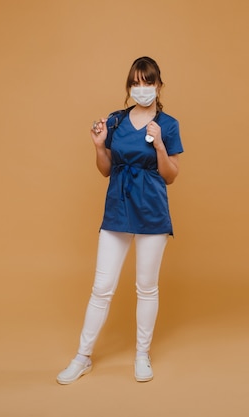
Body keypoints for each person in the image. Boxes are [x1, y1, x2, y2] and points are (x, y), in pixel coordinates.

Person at [57, 56, 184, 384]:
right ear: (129, 86)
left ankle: (142, 354)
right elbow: (105, 169)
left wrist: (158, 145)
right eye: (136, 83)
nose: (142, 89)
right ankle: (82, 357)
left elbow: (171, 175)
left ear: (159, 85)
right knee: (102, 287)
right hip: (118, 209)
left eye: (148, 82)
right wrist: (99, 147)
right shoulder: (114, 122)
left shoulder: (168, 125)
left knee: (146, 287)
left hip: (152, 212)